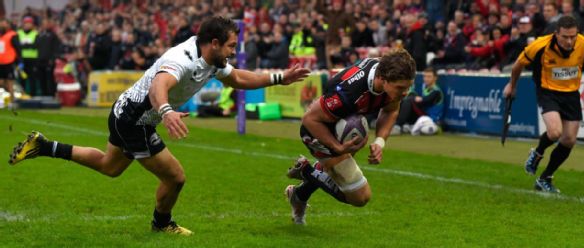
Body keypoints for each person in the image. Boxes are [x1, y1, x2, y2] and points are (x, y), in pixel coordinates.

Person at [8, 16, 310, 235]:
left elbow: (239, 78)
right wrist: (166, 111)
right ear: (214, 43)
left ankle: (44, 145)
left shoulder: (212, 59)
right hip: (134, 120)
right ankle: (162, 224)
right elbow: (159, 86)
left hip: (127, 113)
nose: (233, 50)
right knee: (176, 178)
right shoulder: (183, 58)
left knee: (109, 167)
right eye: (231, 45)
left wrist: (280, 77)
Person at [284, 49, 416, 224]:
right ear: (382, 79)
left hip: (343, 130)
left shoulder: (390, 73)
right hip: (318, 132)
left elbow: (391, 110)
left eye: (408, 87)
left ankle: (299, 194)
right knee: (360, 197)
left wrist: (380, 141)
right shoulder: (348, 92)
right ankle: (307, 170)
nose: (405, 93)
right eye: (400, 88)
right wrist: (337, 148)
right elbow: (309, 120)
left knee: (331, 173)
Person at [503, 15, 584, 193]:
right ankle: (538, 152)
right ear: (556, 34)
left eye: (573, 36)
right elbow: (518, 64)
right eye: (565, 37)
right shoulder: (540, 45)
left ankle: (545, 178)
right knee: (555, 132)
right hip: (548, 91)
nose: (570, 41)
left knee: (569, 139)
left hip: (571, 93)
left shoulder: (583, 43)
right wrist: (512, 85)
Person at [392, 67, 443, 136]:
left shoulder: (437, 91)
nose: (426, 79)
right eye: (425, 76)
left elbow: (426, 100)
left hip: (431, 119)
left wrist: (417, 98)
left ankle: (398, 126)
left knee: (409, 101)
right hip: (422, 117)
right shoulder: (425, 89)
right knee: (405, 100)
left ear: (435, 78)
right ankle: (398, 124)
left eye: (429, 77)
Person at [0, 19, 21, 105]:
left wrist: (19, 61)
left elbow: (18, 49)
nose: (1, 25)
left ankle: (12, 102)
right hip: (1, 63)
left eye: (3, 23)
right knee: (1, 83)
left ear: (8, 25)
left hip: (9, 62)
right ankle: (4, 100)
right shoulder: (1, 36)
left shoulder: (12, 35)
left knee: (9, 83)